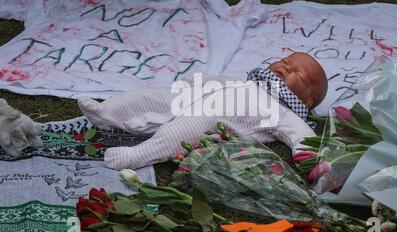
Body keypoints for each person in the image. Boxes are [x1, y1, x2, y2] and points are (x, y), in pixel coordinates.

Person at [76, 52, 328, 170]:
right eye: (286, 61)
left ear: (306, 101)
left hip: (212, 117)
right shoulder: (247, 81)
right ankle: (107, 112)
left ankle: (138, 156)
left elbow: (301, 134)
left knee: (179, 131)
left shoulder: (283, 112)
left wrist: (309, 156)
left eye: (298, 74)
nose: (286, 67)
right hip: (189, 97)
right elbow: (218, 81)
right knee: (147, 98)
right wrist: (198, 80)